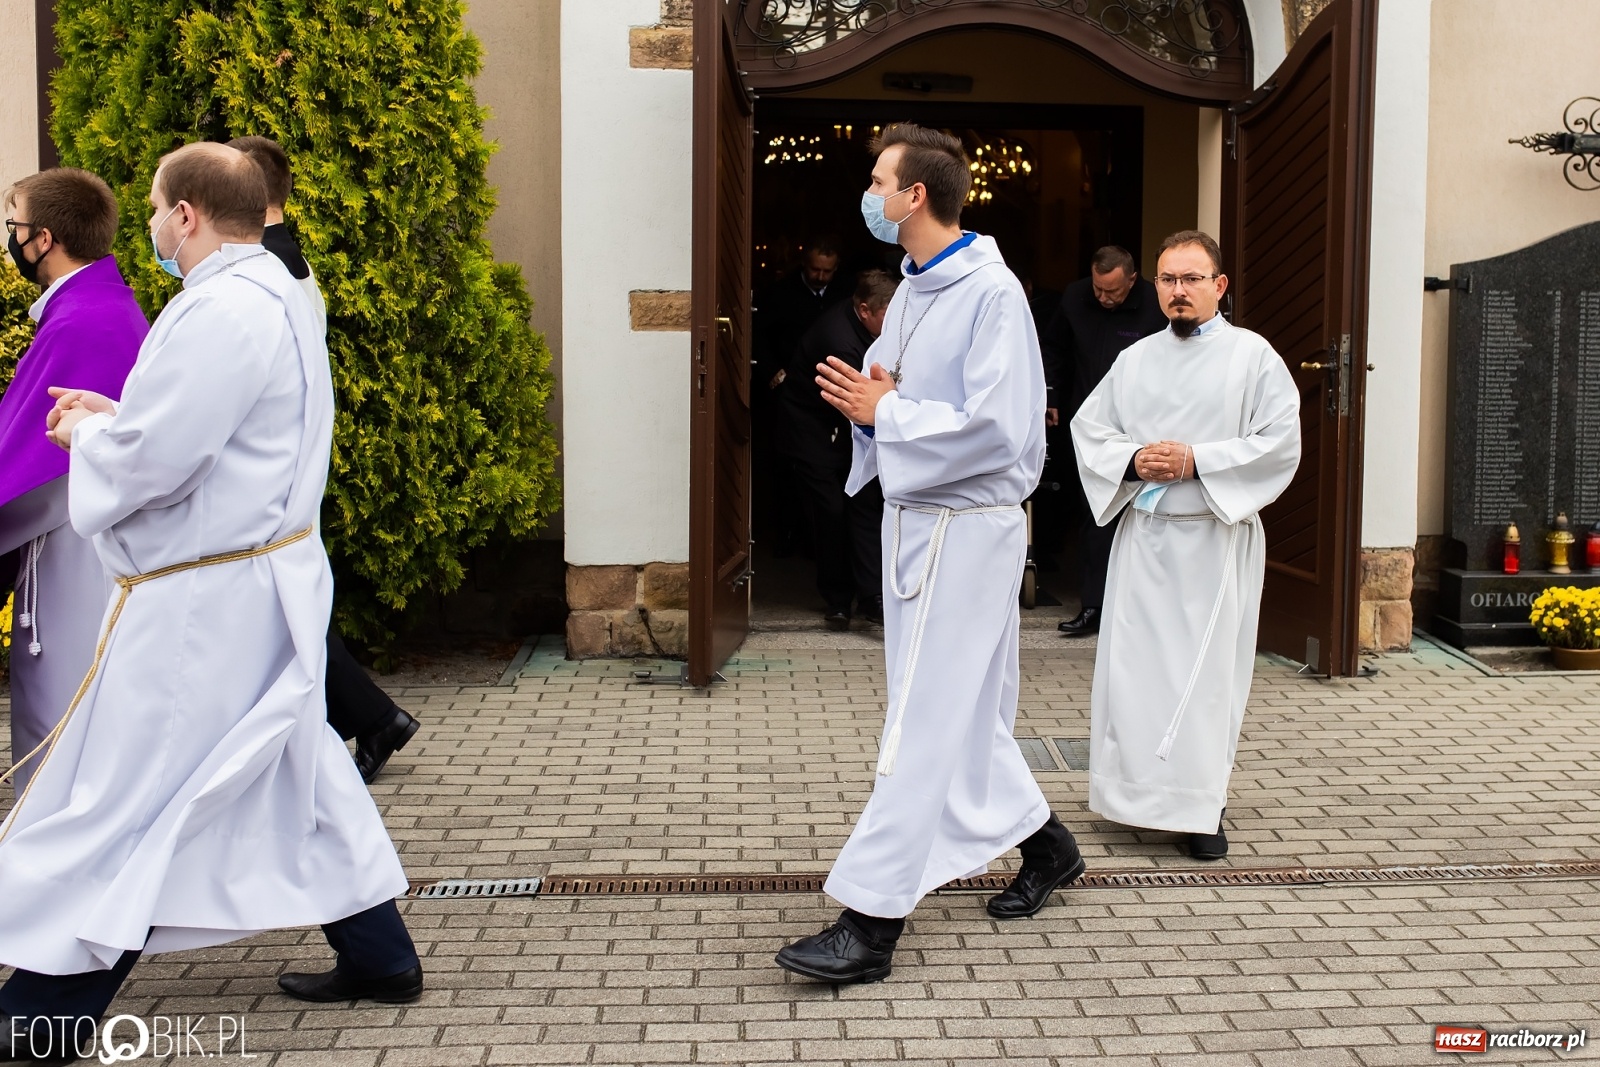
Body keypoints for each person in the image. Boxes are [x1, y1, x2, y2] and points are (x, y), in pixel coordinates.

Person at [0, 143, 422, 1060]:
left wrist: (87, 437)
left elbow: (164, 462)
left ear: (186, 213)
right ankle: (380, 953)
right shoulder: (274, 292)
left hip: (209, 601)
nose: (148, 227)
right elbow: (220, 434)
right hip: (261, 576)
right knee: (295, 764)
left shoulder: (220, 310)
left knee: (137, 794)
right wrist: (114, 420)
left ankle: (43, 1010)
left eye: (155, 210)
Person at [774, 123, 1085, 985]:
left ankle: (871, 923)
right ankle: (1050, 847)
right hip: (914, 522)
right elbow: (891, 382)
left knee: (921, 721)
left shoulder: (995, 294)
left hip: (968, 530)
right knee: (960, 714)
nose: (869, 195)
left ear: (916, 195)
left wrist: (889, 414)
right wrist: (875, 401)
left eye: (879, 181)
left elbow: (1002, 430)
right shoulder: (912, 287)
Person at [1070, 229, 1300, 861]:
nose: (1178, 291)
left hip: (1213, 539)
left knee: (1204, 679)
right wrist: (1135, 456)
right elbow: (1091, 430)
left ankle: (1201, 810)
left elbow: (1280, 442)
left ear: (1219, 286)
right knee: (1136, 675)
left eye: (1191, 280)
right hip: (1146, 537)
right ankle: (1131, 797)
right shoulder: (1136, 358)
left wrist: (1199, 459)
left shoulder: (1253, 358)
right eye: (1168, 280)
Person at [228, 134, 420, 783]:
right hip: (288, 462)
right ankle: (372, 719)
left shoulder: (267, 272)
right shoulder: (286, 262)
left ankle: (373, 720)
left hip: (271, 468)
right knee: (287, 610)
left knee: (286, 610)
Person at [0, 169, 147, 797]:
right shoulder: (95, 305)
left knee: (62, 706)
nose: (10, 237)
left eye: (15, 224)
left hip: (71, 542)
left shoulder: (80, 322)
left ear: (45, 238)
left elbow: (31, 460)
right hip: (82, 533)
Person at [1040, 246, 1167, 635]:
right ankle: (1093, 606)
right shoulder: (1076, 297)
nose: (1103, 298)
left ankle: (1137, 611)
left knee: (1143, 515)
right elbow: (1054, 350)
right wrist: (1051, 395)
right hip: (1088, 424)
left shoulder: (1155, 306)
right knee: (1094, 511)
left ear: (1132, 280)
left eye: (1112, 291)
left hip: (1141, 427)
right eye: (1098, 289)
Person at [779, 269, 897, 630]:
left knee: (864, 504)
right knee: (830, 512)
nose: (894, 324)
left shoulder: (873, 330)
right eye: (886, 316)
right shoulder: (840, 342)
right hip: (813, 430)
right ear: (864, 310)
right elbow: (857, 402)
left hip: (848, 430)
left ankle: (872, 596)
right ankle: (838, 600)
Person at [752, 239, 850, 557]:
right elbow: (758, 336)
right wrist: (774, 374)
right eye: (815, 270)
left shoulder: (843, 296)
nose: (820, 276)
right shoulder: (781, 293)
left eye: (827, 271)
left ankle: (822, 538)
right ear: (804, 264)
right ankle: (787, 534)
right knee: (786, 465)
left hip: (831, 393)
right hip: (788, 390)